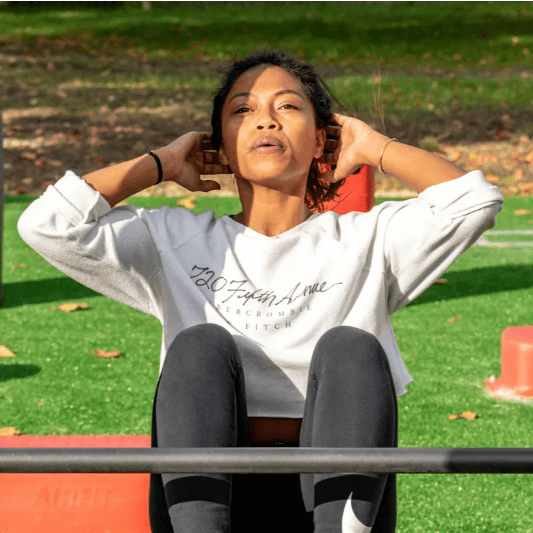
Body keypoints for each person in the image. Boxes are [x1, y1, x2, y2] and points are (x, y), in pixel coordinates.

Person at [18, 49, 504, 533]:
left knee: (351, 346)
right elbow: (47, 224)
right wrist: (161, 163)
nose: (266, 121)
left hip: (337, 494)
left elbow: (474, 201)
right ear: (221, 147)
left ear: (321, 139)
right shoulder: (172, 238)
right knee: (200, 345)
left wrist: (372, 146)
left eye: (287, 106)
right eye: (242, 110)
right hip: (207, 497)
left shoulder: (368, 239)